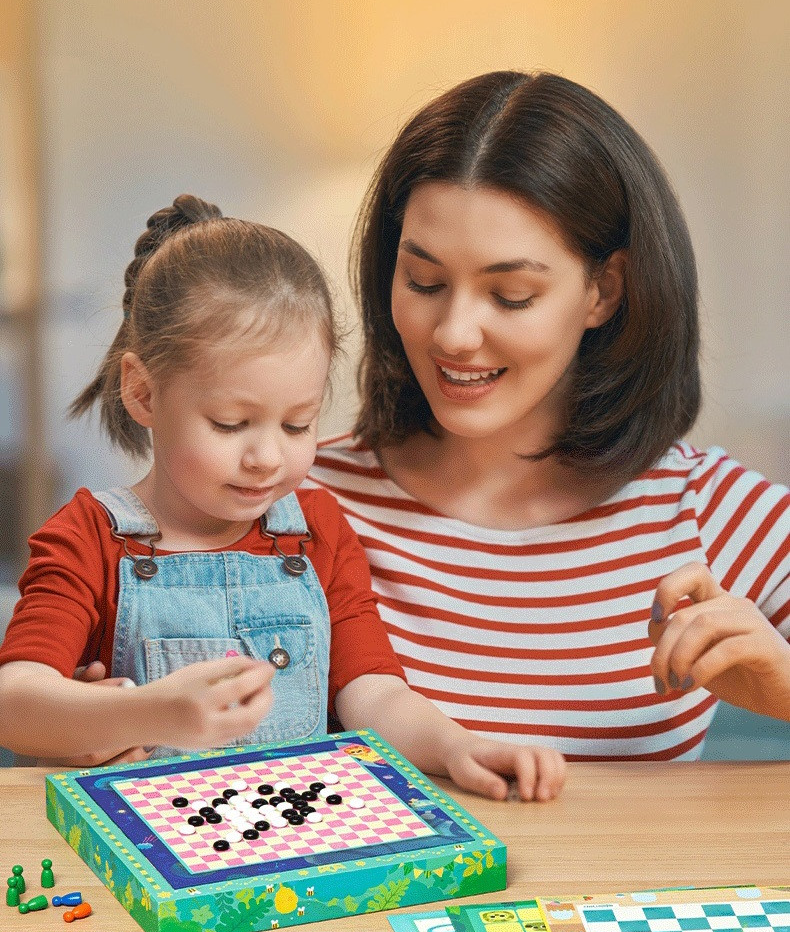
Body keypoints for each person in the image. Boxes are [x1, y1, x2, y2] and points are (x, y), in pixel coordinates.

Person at [0, 195, 564, 800]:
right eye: (229, 423)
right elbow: (15, 702)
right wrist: (150, 714)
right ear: (142, 394)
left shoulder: (316, 530)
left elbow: (373, 693)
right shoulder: (88, 537)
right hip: (146, 849)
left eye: (298, 424)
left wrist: (456, 746)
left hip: (298, 847)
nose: (267, 457)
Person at [306, 71, 790, 761]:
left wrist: (783, 687)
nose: (453, 333)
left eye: (510, 294)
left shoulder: (709, 510)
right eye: (425, 282)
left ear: (603, 291)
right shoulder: (295, 498)